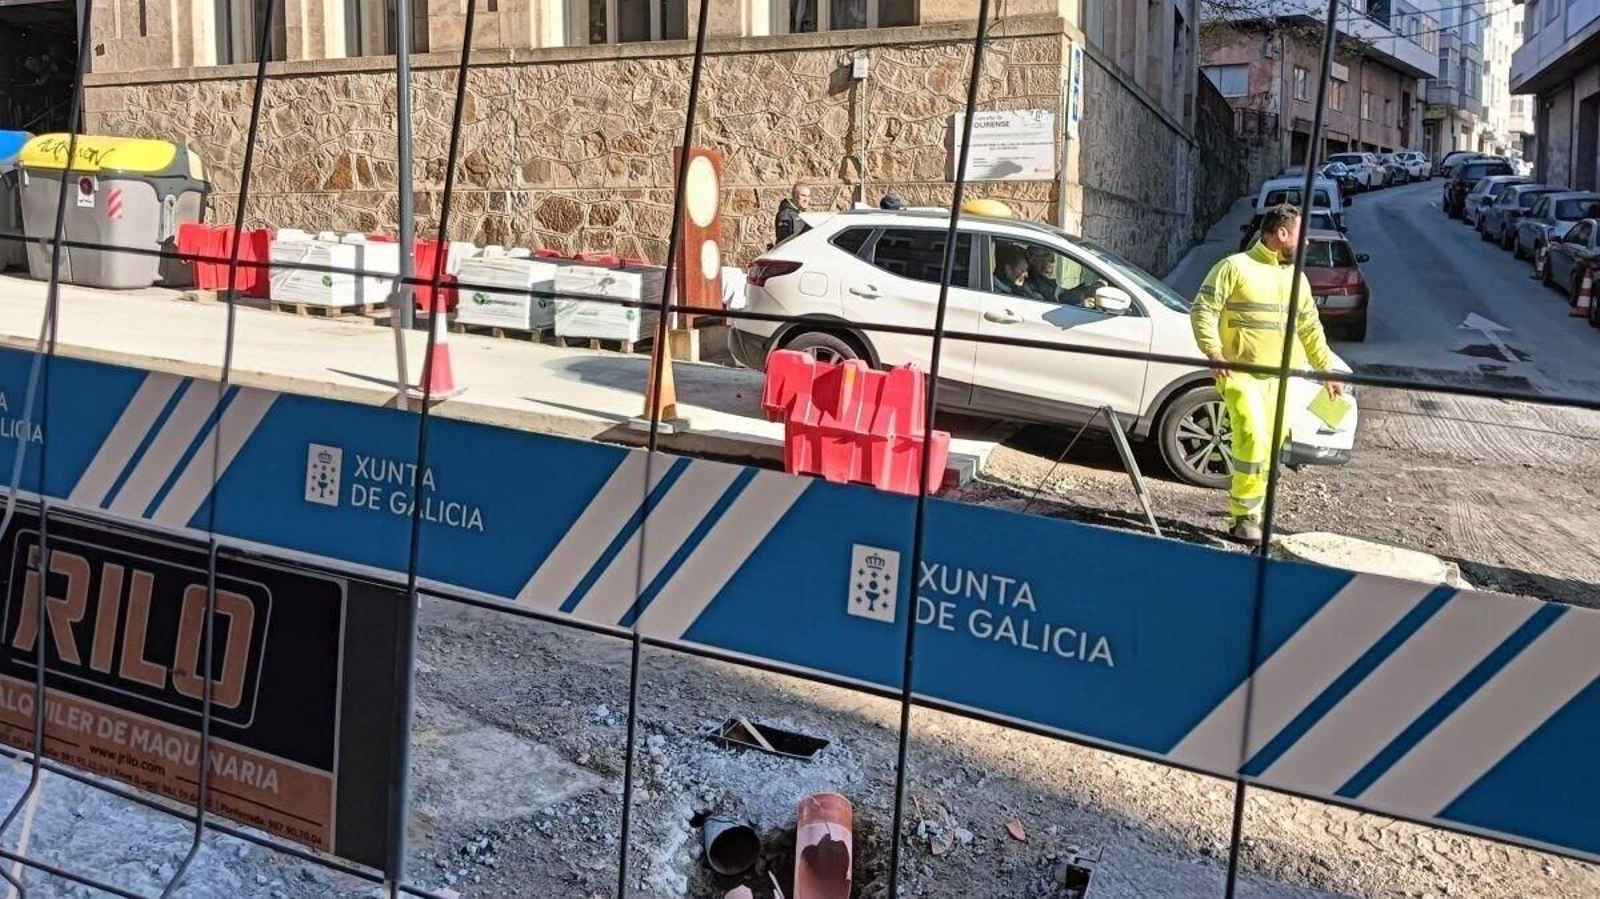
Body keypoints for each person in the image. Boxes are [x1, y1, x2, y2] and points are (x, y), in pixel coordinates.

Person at [1191, 203, 1344, 545]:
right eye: (1301, 236)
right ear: (1282, 233)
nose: (1306, 244)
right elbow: (1203, 310)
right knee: (1253, 438)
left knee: (1270, 446)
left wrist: (1326, 370)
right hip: (1241, 375)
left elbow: (1310, 328)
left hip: (1283, 378)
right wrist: (1214, 352)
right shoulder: (1233, 267)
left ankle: (1255, 511)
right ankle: (1244, 515)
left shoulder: (1297, 279)